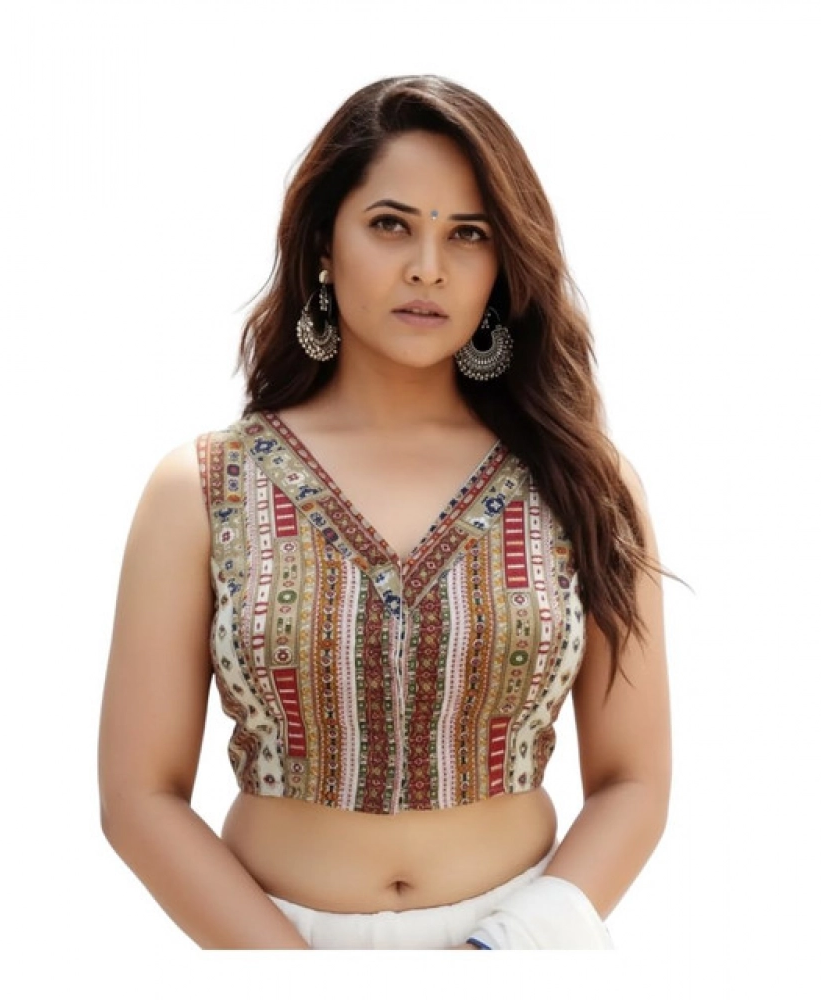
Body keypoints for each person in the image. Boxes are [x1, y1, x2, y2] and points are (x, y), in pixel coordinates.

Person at [98, 74, 672, 950]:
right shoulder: (206, 488)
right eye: (391, 224)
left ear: (502, 264)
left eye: (468, 234)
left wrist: (509, 952)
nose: (427, 267)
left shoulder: (584, 484)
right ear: (323, 244)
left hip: (521, 947)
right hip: (267, 948)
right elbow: (139, 797)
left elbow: (635, 780)